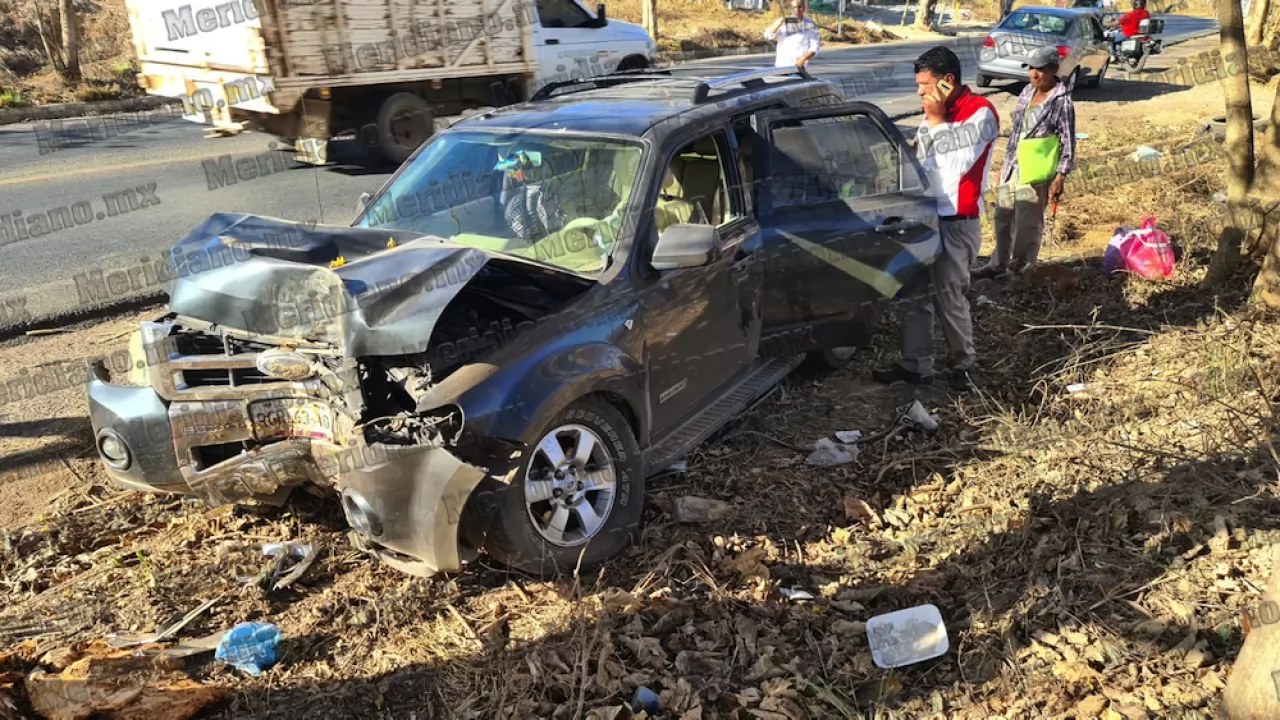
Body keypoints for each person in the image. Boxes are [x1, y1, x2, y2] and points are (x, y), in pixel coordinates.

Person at [872, 46, 999, 392]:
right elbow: (923, 162)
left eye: (925, 85)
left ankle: (965, 364)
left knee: (949, 295)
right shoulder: (932, 115)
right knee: (913, 293)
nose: (919, 92)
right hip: (923, 217)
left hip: (956, 220)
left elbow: (957, 168)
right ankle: (916, 364)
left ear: (948, 81)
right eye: (918, 85)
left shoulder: (980, 114)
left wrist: (939, 120)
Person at [973, 45, 1076, 278]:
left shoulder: (1061, 101)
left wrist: (1060, 176)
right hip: (1014, 165)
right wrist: (1003, 165)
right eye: (1031, 69)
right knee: (1002, 215)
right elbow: (1016, 133)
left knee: (1027, 222)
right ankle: (997, 263)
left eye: (1040, 70)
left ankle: (1020, 269)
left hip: (1036, 169)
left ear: (1052, 69)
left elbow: (1068, 141)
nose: (1034, 74)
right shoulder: (1026, 93)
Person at [499, 150, 565, 243]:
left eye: (549, 173)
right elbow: (525, 244)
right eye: (543, 171)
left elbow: (562, 223)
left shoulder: (553, 195)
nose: (549, 175)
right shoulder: (518, 206)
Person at [763, 0, 820, 69]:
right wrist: (778, 24)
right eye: (794, 7)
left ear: (804, 8)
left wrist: (803, 59)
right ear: (791, 9)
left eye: (799, 7)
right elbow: (768, 36)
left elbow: (814, 47)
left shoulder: (810, 24)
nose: (797, 10)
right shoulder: (783, 22)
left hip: (798, 67)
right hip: (781, 66)